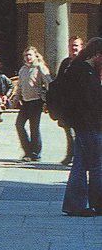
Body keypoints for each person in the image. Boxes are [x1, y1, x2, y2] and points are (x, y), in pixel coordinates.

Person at [61, 37, 102, 217]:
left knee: (80, 163)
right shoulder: (85, 72)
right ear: (97, 54)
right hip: (90, 125)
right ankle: (97, 204)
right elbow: (89, 102)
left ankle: (74, 205)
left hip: (83, 124)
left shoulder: (79, 69)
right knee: (96, 165)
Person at [13, 46, 51, 162]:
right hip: (25, 101)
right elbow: (20, 86)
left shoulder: (40, 67)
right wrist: (16, 98)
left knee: (34, 127)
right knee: (19, 124)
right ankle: (27, 151)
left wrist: (48, 100)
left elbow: (49, 83)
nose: (28, 57)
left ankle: (35, 153)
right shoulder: (23, 69)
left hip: (36, 101)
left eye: (30, 55)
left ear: (35, 56)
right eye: (26, 55)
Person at [57, 36, 84, 165]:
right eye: (71, 45)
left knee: (80, 132)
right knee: (69, 130)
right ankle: (70, 155)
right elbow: (59, 82)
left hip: (81, 104)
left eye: (76, 45)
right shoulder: (65, 63)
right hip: (67, 104)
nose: (73, 48)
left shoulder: (85, 62)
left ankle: (78, 156)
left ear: (81, 47)